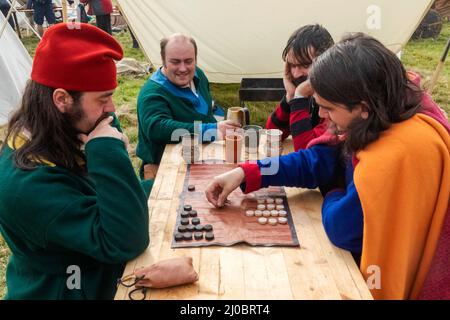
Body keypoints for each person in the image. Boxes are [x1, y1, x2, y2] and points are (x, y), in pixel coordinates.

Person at [205, 33, 450, 300]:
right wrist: (247, 172)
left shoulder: (395, 155)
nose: (321, 116)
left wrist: (332, 191)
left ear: (363, 107)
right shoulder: (385, 110)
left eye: (328, 108)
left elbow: (342, 228)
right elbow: (318, 161)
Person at [0, 23, 149, 299]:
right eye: (103, 99)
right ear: (62, 99)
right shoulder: (27, 183)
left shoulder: (70, 124)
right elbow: (128, 239)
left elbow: (115, 200)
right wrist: (107, 150)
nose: (112, 109)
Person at [136, 33, 240, 186]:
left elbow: (206, 112)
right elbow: (157, 128)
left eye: (189, 61)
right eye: (175, 62)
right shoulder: (153, 92)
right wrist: (211, 130)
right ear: (163, 60)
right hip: (167, 171)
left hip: (202, 161)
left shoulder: (198, 75)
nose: (183, 68)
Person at [266, 24, 334, 151]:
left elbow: (306, 151)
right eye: (292, 65)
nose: (296, 74)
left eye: (305, 65)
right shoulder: (309, 91)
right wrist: (290, 97)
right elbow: (273, 135)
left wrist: (299, 98)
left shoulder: (336, 99)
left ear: (325, 62)